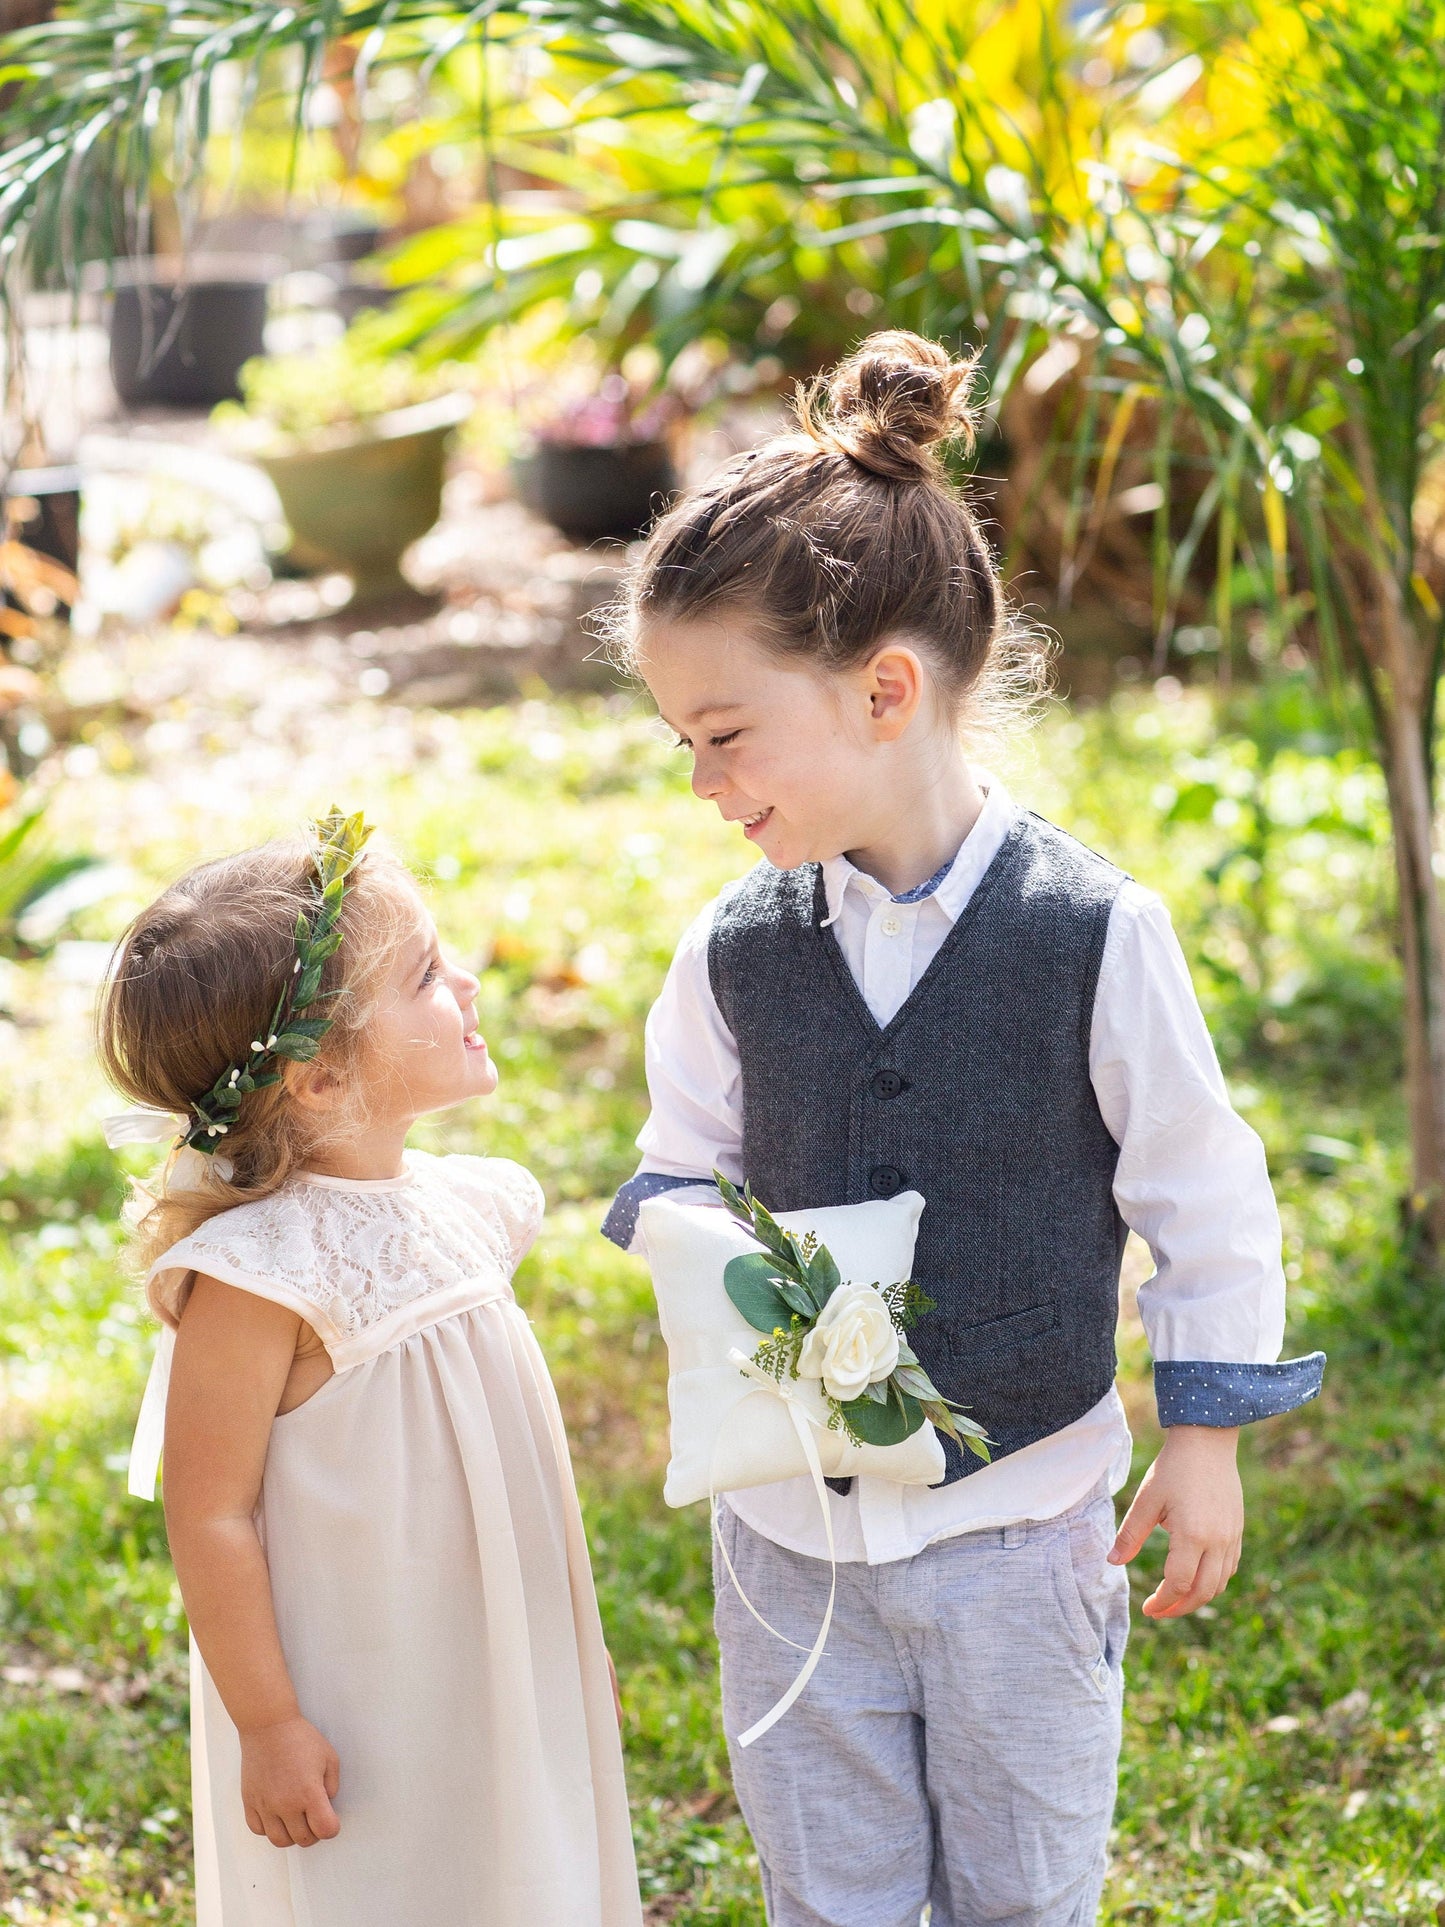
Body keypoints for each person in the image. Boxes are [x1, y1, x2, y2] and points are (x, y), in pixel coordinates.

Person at [601, 333, 1324, 1926]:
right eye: (684, 745)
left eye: (726, 734)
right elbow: (679, 1173)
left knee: (1021, 1891)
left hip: (1022, 1532)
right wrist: (725, 1262)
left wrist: (1201, 1440)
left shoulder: (1091, 930)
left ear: (882, 688)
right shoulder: (734, 947)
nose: (705, 783)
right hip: (789, 1550)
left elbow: (1201, 1191)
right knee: (831, 1895)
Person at [100, 811, 642, 1927]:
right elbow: (211, 1512)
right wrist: (269, 1723)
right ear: (316, 1078)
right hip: (363, 1679)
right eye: (427, 976)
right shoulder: (258, 1275)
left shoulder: (464, 1204)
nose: (470, 985)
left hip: (486, 1646)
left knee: (514, 1857)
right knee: (400, 1877)